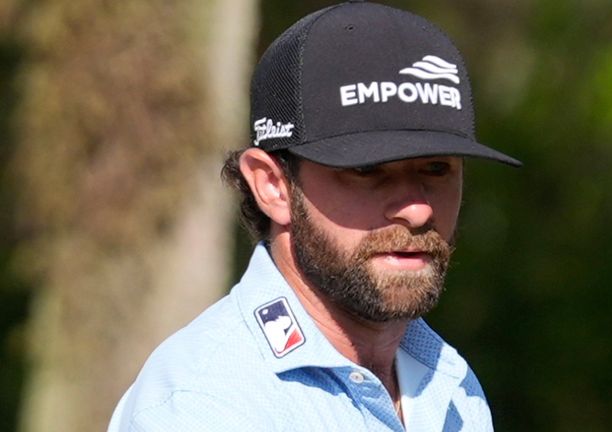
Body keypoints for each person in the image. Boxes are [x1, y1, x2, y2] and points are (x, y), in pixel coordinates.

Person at [108, 1, 521, 431]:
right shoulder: (207, 404)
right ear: (272, 186)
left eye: (437, 169)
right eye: (366, 170)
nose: (418, 209)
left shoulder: (450, 384)